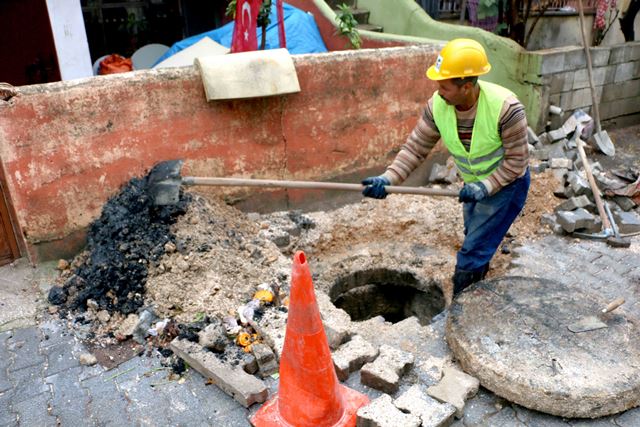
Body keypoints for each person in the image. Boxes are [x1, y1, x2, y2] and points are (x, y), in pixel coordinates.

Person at [361, 38, 530, 297]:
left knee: (472, 251)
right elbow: (416, 148)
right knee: (475, 236)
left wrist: (484, 187)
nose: (439, 91)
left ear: (468, 85)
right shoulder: (437, 106)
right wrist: (389, 178)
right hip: (473, 185)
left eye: (445, 86)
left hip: (507, 185)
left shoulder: (506, 109)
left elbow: (517, 163)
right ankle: (477, 287)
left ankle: (461, 309)